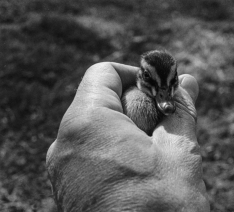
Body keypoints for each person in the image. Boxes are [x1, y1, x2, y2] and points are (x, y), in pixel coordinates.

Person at [46, 62, 210, 212]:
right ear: (141, 74)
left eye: (170, 82)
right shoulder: (128, 99)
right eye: (148, 77)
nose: (163, 94)